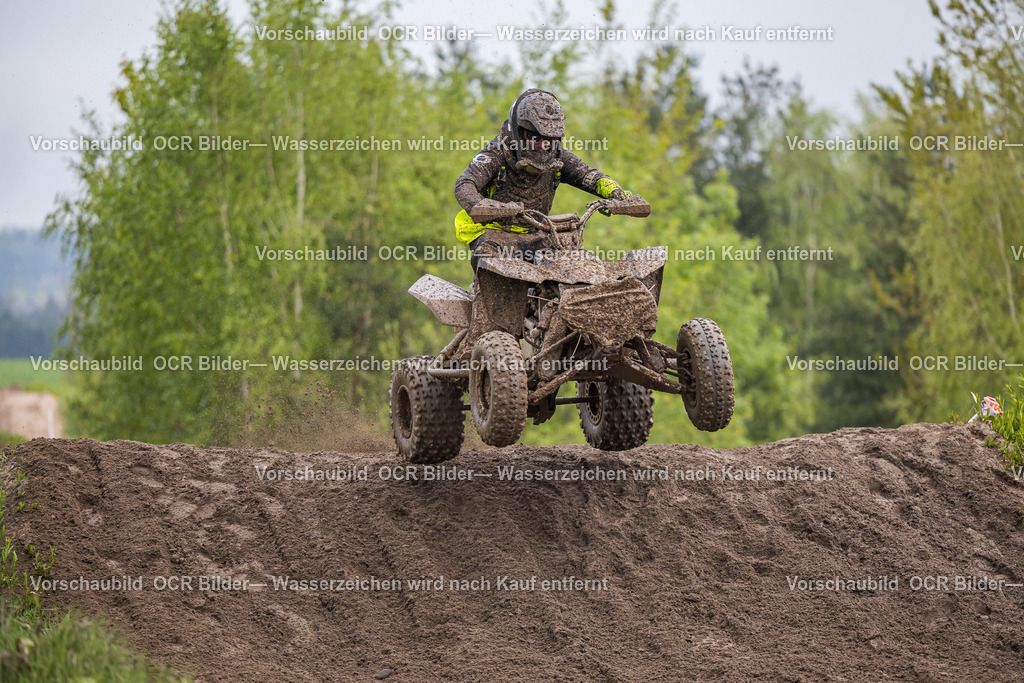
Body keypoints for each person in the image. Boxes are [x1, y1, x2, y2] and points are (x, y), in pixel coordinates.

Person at [451, 89, 634, 359]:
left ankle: (583, 331)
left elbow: (591, 176)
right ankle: (477, 344)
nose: (542, 146)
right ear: (518, 132)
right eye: (535, 138)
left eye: (549, 140)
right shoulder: (495, 155)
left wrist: (617, 193)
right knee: (493, 271)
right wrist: (483, 206)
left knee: (578, 265)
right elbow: (464, 184)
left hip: (538, 232)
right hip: (494, 233)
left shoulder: (559, 158)